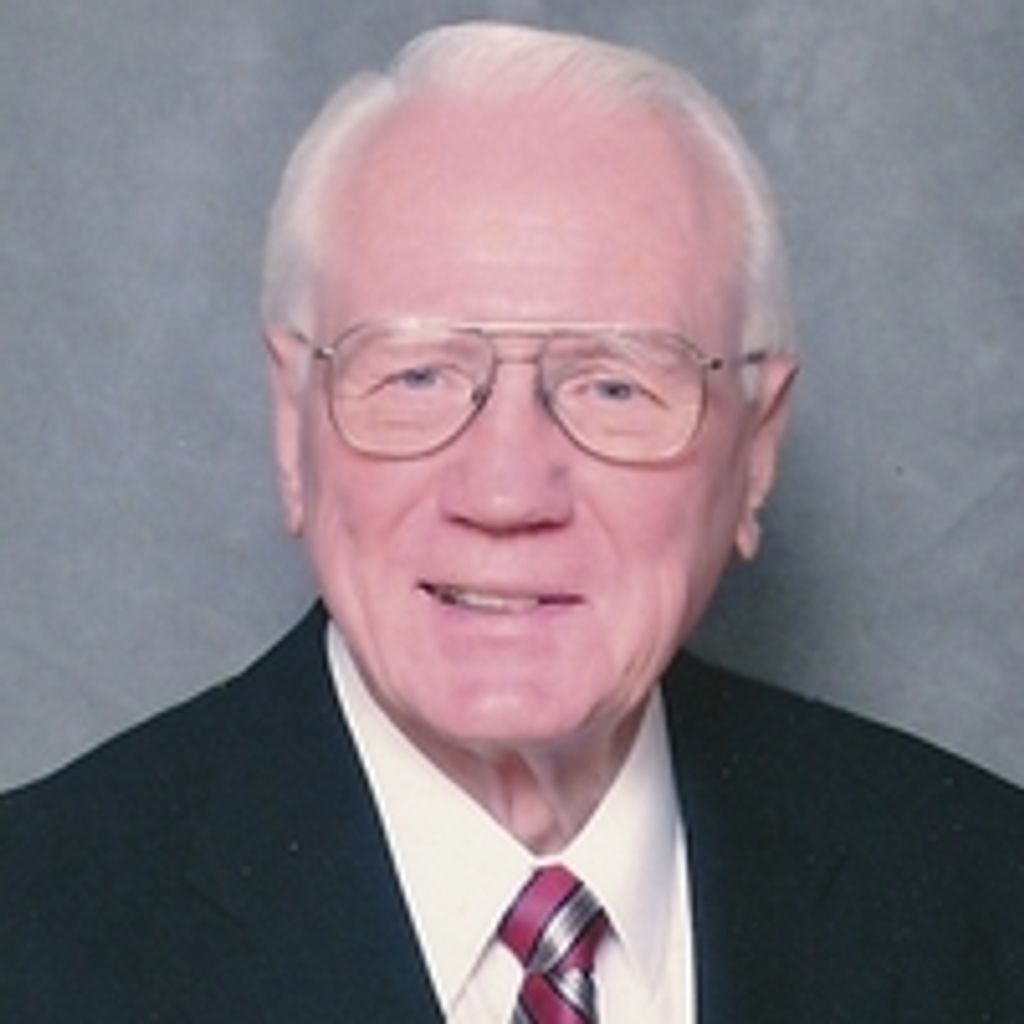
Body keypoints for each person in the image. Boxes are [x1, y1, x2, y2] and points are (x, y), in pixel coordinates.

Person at [2, 22, 1022, 1023]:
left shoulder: (981, 895)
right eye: (418, 375)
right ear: (290, 425)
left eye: (614, 386)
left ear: (755, 447)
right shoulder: (35, 929)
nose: (505, 493)